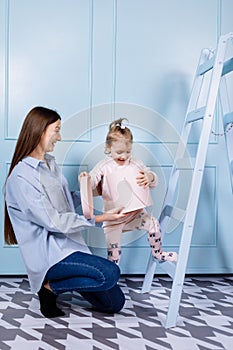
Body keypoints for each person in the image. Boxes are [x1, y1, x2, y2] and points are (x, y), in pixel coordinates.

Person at [4, 106, 126, 319]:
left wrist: (95, 191)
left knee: (114, 303)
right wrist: (100, 219)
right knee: (110, 273)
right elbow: (53, 220)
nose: (59, 137)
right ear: (40, 131)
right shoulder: (21, 177)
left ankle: (68, 280)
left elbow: (65, 200)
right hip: (50, 256)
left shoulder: (50, 164)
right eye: (56, 130)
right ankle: (49, 287)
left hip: (71, 247)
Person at [80, 118, 178, 264]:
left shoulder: (136, 163)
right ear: (108, 147)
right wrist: (86, 178)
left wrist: (149, 177)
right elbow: (93, 182)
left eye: (128, 151)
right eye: (119, 152)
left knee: (154, 224)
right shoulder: (104, 165)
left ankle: (158, 254)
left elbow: (153, 180)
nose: (124, 156)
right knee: (114, 255)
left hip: (135, 215)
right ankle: (112, 278)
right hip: (114, 219)